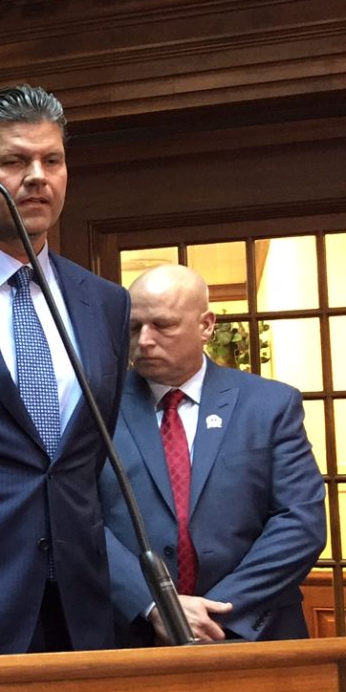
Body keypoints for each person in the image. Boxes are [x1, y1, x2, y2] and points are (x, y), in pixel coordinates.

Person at [0, 85, 130, 655]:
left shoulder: (106, 303)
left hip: (83, 604)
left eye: (53, 160)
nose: (37, 176)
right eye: (14, 161)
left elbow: (88, 458)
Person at [102, 263, 324, 644]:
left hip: (251, 631)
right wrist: (157, 605)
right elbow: (79, 518)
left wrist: (216, 610)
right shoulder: (96, 407)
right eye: (134, 327)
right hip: (133, 635)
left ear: (206, 325)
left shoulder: (269, 405)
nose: (144, 341)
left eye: (163, 325)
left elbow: (300, 521)